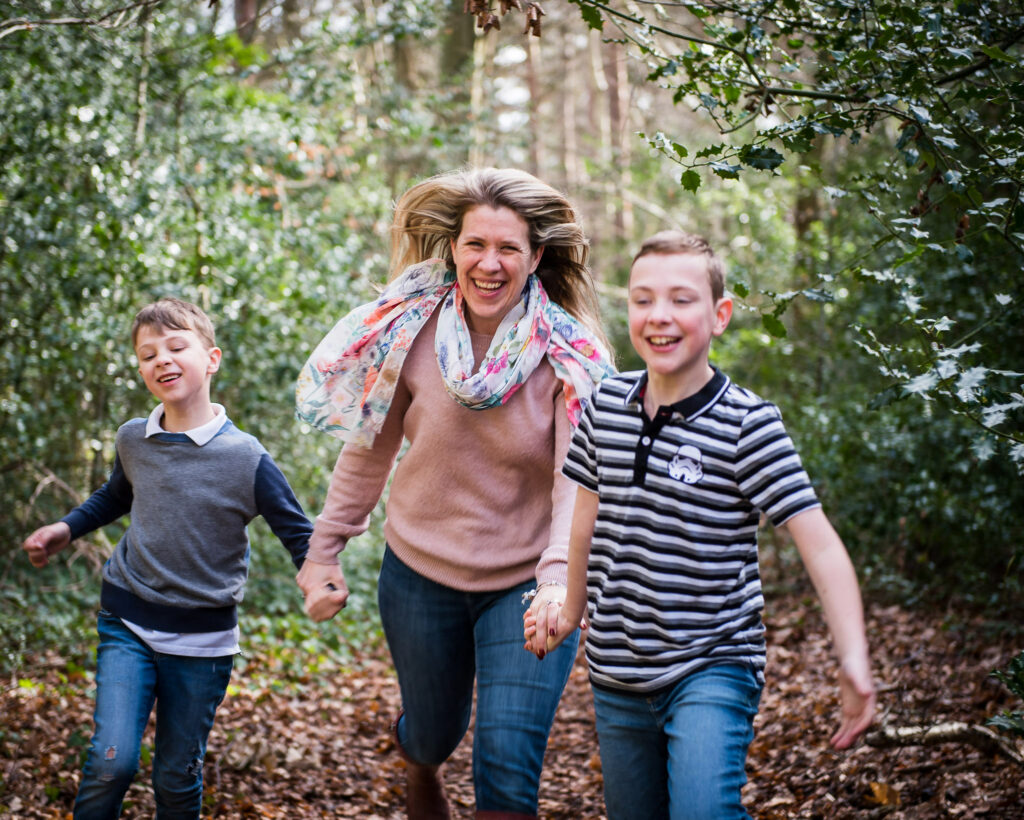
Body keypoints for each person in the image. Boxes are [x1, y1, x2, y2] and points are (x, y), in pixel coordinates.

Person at [295, 167, 616, 820]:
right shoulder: (409, 332)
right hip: (420, 572)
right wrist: (323, 552)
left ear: (536, 258)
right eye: (476, 245)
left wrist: (559, 580)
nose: (489, 264)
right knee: (433, 730)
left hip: (529, 581)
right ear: (453, 250)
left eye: (507, 249)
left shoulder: (572, 356)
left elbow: (575, 483)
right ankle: (420, 763)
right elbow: (369, 447)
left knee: (506, 768)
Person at [523, 230, 876, 820]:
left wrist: (854, 659)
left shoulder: (748, 425)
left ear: (720, 316)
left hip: (712, 663)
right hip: (617, 671)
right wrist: (572, 609)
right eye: (643, 299)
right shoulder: (606, 406)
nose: (659, 316)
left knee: (702, 810)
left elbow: (820, 547)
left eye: (681, 299)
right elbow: (584, 523)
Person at [22, 297, 312, 820]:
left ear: (212, 358)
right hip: (127, 618)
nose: (162, 360)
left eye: (177, 347)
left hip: (203, 640)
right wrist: (65, 529)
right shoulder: (135, 439)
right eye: (147, 354)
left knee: (177, 778)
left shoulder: (246, 458)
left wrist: (320, 577)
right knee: (112, 761)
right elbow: (116, 496)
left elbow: (297, 533)